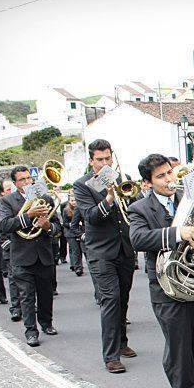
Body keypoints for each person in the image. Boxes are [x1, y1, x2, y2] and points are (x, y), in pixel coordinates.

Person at [128, 154, 194, 388]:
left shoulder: (189, 199)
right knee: (180, 343)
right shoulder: (140, 208)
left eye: (169, 173)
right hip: (166, 286)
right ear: (148, 183)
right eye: (160, 176)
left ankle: (181, 372)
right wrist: (178, 233)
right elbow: (138, 238)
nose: (168, 179)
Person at [72, 139, 137, 373]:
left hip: (124, 249)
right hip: (100, 252)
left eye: (108, 158)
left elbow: (131, 208)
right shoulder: (82, 185)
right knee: (110, 300)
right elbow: (90, 217)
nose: (105, 162)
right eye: (100, 159)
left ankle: (122, 343)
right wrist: (109, 198)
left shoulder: (120, 179)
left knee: (123, 298)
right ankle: (110, 356)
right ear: (91, 161)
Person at [0, 166, 61, 347]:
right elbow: (5, 225)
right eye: (22, 180)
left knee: (46, 293)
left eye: (28, 178)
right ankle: (31, 331)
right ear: (15, 183)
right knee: (26, 296)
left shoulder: (46, 198)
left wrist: (48, 226)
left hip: (44, 255)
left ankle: (47, 323)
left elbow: (58, 228)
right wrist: (28, 215)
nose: (26, 182)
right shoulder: (8, 201)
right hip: (22, 256)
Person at [0, 179, 21, 321]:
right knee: (14, 278)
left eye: (12, 188)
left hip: (24, 247)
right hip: (10, 248)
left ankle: (29, 304)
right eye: (8, 189)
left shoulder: (26, 203)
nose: (12, 191)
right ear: (3, 193)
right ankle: (16, 308)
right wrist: (6, 243)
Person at [61, 193, 84, 276]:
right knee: (75, 250)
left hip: (79, 231)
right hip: (70, 233)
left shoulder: (81, 208)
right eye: (72, 200)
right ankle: (78, 268)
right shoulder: (66, 210)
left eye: (75, 200)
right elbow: (64, 223)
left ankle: (77, 265)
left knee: (81, 249)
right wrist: (70, 224)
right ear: (69, 201)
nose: (74, 202)